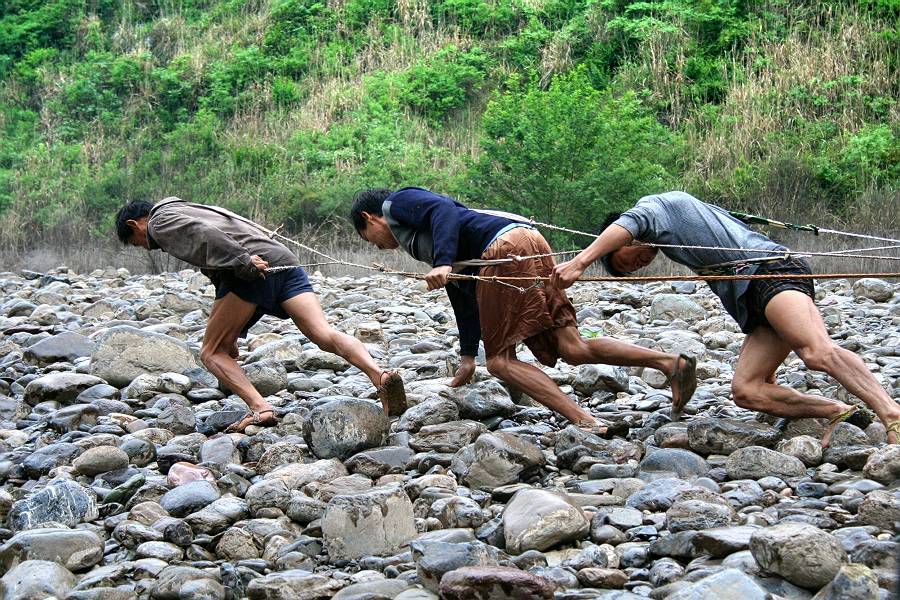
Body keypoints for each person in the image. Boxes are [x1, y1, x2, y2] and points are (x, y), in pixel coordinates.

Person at [551, 190, 900, 445]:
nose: (638, 264)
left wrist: (580, 262)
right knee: (747, 391)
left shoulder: (656, 207)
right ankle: (837, 410)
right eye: (630, 269)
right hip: (755, 300)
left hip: (772, 271)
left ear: (621, 237)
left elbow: (632, 222)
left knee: (816, 352)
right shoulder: (671, 229)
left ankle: (891, 415)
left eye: (627, 259)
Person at [350, 187, 697, 434]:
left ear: (370, 218)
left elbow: (442, 209)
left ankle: (583, 419)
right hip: (528, 242)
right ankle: (670, 363)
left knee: (500, 361)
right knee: (572, 348)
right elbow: (462, 289)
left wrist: (441, 261)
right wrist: (469, 355)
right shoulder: (425, 235)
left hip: (504, 248)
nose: (378, 247)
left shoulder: (398, 203)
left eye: (370, 239)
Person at [116, 197, 407, 432]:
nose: (144, 245)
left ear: (135, 223)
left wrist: (242, 261)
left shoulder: (160, 221)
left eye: (136, 240)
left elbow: (207, 238)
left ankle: (260, 409)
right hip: (282, 260)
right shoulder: (192, 207)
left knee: (211, 353)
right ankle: (379, 376)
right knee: (324, 335)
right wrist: (235, 331)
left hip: (252, 269)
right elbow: (218, 250)